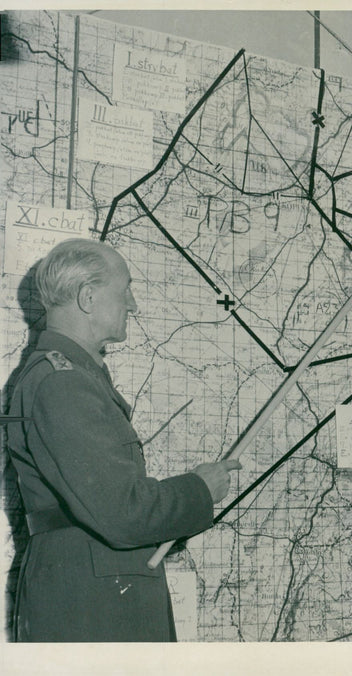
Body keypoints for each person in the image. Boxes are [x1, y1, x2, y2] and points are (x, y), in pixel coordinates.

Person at [6, 238, 242, 642]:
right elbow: (122, 512)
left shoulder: (73, 377)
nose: (133, 304)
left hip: (94, 595)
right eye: (125, 289)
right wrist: (200, 489)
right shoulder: (63, 384)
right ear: (88, 296)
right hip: (94, 608)